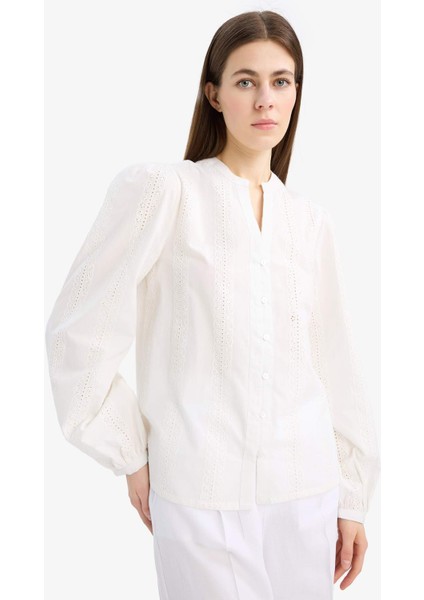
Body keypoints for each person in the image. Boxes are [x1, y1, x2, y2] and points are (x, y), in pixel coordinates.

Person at [45, 9, 380, 599]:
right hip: (197, 494)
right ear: (214, 94)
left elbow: (337, 367)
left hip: (307, 492)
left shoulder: (309, 223)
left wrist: (351, 497)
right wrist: (130, 454)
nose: (265, 99)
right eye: (246, 81)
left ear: (297, 93)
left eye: (281, 81)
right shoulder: (165, 192)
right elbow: (79, 330)